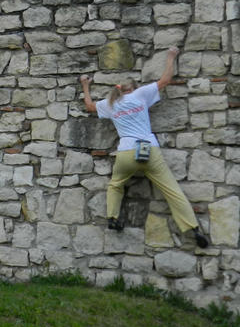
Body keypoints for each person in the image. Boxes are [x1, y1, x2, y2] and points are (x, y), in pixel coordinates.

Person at [79, 47, 209, 249]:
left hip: (126, 152)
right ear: (132, 87)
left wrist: (85, 85)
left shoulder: (111, 103)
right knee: (172, 191)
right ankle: (192, 228)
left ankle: (113, 217)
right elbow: (166, 80)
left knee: (115, 184)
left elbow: (89, 106)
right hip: (149, 150)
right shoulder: (140, 94)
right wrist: (171, 57)